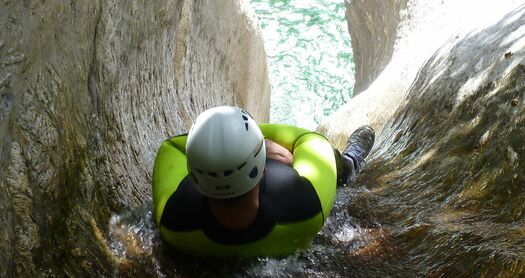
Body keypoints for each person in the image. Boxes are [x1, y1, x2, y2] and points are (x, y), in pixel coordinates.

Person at [152, 106, 375, 257]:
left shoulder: (174, 220)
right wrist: (261, 139)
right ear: (261, 161)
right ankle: (351, 161)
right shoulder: (306, 204)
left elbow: (172, 146)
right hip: (285, 219)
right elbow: (310, 139)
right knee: (339, 171)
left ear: (194, 174)